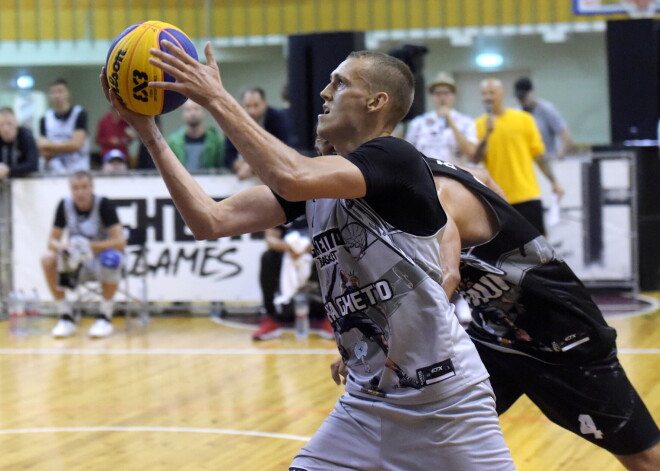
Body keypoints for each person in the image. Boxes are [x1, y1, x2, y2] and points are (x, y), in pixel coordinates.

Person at [101, 42, 516, 470]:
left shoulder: (398, 159)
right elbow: (210, 220)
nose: (324, 92)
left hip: (445, 403)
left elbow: (292, 174)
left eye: (340, 83)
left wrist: (214, 97)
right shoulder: (317, 190)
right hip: (366, 404)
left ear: (377, 102)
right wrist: (149, 134)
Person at [336, 157, 660, 471]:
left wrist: (378, 345)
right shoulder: (407, 181)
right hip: (493, 338)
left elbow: (447, 278)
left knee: (645, 458)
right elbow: (482, 176)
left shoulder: (432, 189)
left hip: (562, 339)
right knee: (419, 432)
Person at [472, 78, 563, 235]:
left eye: (492, 93)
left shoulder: (524, 120)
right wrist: (487, 134)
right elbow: (476, 158)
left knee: (537, 249)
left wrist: (553, 181)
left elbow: (538, 155)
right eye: (484, 94)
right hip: (497, 197)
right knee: (502, 250)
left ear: (502, 94)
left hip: (526, 194)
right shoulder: (478, 125)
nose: (487, 97)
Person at [42, 170, 126, 338]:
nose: (80, 192)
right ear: (71, 190)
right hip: (76, 263)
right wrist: (62, 246)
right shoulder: (64, 205)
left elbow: (120, 242)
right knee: (48, 259)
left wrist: (90, 246)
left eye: (84, 187)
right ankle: (65, 315)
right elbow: (51, 242)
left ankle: (105, 316)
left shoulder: (104, 204)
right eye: (75, 188)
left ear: (91, 188)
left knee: (112, 258)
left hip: (100, 259)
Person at [404, 72, 477, 165]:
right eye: (438, 93)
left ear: (454, 96)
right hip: (427, 174)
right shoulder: (418, 123)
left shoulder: (466, 122)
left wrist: (452, 124)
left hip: (455, 174)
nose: (442, 97)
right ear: (431, 96)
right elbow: (408, 153)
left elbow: (472, 152)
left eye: (446, 93)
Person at [224, 87, 290, 179]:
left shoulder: (278, 119)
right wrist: (242, 166)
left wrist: (253, 167)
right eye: (248, 106)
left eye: (256, 105)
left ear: (265, 104)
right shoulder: (233, 122)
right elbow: (229, 156)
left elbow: (284, 149)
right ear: (241, 106)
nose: (252, 111)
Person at [37, 78, 90, 173]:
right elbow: (43, 150)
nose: (57, 96)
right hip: (54, 171)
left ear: (67, 93)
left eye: (60, 91)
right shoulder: (45, 118)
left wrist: (51, 146)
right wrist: (68, 146)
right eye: (53, 92)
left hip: (78, 169)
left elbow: (76, 145)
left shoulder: (79, 113)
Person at [514, 77, 572, 162]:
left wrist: (559, 156)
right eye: (519, 98)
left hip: (547, 160)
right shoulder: (517, 112)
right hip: (526, 162)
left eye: (524, 97)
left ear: (532, 92)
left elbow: (566, 136)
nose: (522, 100)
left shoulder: (546, 109)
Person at [167, 99, 225, 171]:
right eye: (188, 109)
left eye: (196, 109)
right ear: (182, 114)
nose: (192, 113)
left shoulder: (216, 140)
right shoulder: (173, 141)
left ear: (203, 112)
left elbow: (222, 167)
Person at [0, 107, 39, 179]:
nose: (6, 129)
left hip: (26, 181)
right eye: (1, 125)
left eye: (9, 124)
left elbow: (33, 164)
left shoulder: (26, 136)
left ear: (16, 123)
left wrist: (9, 170)